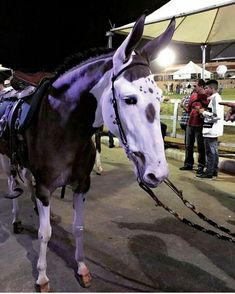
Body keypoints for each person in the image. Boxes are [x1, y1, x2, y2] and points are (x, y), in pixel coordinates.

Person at [179, 79, 209, 175]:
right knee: (188, 145)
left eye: (195, 86)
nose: (194, 87)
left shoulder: (207, 96)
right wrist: (184, 107)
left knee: (201, 147)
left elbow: (208, 109)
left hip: (200, 124)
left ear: (201, 86)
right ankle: (188, 164)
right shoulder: (193, 95)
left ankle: (201, 165)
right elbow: (188, 109)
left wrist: (201, 109)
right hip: (190, 123)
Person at [196, 79, 224, 179]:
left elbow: (216, 116)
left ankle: (209, 173)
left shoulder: (216, 98)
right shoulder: (214, 98)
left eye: (207, 88)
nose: (205, 89)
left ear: (212, 88)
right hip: (211, 130)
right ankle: (213, 172)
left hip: (211, 130)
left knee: (211, 152)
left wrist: (203, 112)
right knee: (213, 152)